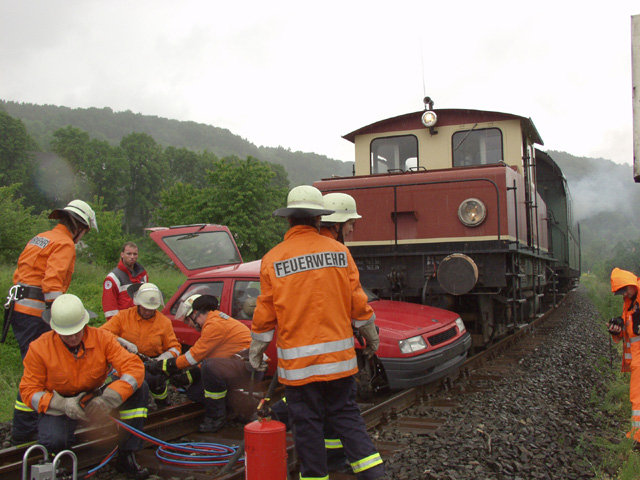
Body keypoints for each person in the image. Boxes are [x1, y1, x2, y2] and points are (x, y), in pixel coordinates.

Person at [249, 185, 384, 480]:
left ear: (288, 221)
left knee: (307, 427)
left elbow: (265, 312)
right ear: (318, 220)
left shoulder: (273, 258)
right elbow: (358, 302)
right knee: (347, 418)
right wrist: (371, 334)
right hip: (340, 364)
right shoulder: (340, 252)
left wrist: (256, 349)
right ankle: (374, 474)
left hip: (299, 370)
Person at [19, 294, 150, 479]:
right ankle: (62, 465)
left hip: (95, 397)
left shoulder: (102, 338)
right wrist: (62, 404)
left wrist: (109, 398)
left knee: (140, 387)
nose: (72, 338)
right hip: (60, 404)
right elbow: (28, 390)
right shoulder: (39, 348)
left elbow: (133, 367)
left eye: (77, 331)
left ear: (84, 324)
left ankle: (127, 454)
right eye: (67, 334)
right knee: (54, 440)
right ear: (55, 329)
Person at [7, 199, 97, 444]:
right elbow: (52, 283)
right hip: (37, 315)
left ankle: (26, 427)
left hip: (20, 311)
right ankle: (25, 430)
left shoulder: (42, 237)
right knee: (38, 369)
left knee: (32, 364)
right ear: (79, 227)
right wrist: (59, 316)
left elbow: (22, 273)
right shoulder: (65, 244)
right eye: (85, 231)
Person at [146, 294, 259, 433]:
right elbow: (214, 358)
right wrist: (186, 377)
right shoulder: (215, 320)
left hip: (249, 368)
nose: (191, 326)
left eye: (189, 321)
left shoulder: (214, 325)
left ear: (195, 313)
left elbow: (194, 357)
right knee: (195, 393)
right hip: (237, 365)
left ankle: (216, 417)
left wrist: (163, 366)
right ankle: (239, 408)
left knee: (210, 366)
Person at [100, 283, 180, 407]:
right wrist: (123, 342)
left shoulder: (164, 322)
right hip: (125, 363)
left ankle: (162, 402)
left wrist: (162, 358)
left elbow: (175, 347)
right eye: (145, 308)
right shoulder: (123, 317)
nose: (148, 312)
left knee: (155, 381)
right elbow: (102, 333)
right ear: (137, 303)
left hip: (151, 364)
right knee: (132, 388)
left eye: (152, 309)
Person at [609, 267, 640, 446]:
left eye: (625, 289)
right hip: (636, 359)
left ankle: (636, 439)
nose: (624, 294)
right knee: (636, 398)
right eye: (621, 292)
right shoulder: (629, 301)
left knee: (637, 399)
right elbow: (628, 333)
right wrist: (616, 331)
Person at [102, 242, 149, 320]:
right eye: (129, 254)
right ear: (122, 254)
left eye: (135, 254)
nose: (132, 257)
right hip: (123, 324)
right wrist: (117, 326)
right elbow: (110, 310)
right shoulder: (113, 278)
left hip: (140, 323)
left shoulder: (143, 276)